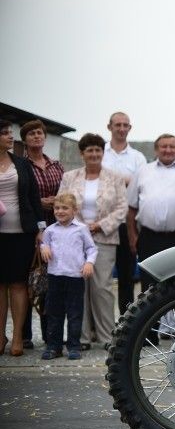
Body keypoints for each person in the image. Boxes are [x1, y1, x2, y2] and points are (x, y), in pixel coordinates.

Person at [58, 133, 128, 349]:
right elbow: (61, 203)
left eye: (98, 150)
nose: (94, 154)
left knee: (101, 288)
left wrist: (99, 225)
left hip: (104, 238)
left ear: (102, 152)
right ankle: (82, 337)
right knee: (79, 287)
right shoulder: (69, 177)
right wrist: (78, 226)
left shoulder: (115, 177)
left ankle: (107, 337)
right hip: (74, 238)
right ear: (82, 153)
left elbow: (122, 208)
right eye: (90, 150)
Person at [127, 135, 175, 293]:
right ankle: (153, 319)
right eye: (163, 146)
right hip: (149, 238)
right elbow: (131, 209)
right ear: (156, 149)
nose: (168, 150)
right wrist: (132, 237)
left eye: (172, 147)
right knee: (149, 287)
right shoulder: (142, 171)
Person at [0, 120, 45, 356]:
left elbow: (34, 197)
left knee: (18, 284)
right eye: (5, 133)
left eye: (10, 133)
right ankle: (0, 336)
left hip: (21, 233)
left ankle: (17, 337)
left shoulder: (22, 164)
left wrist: (40, 229)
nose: (10, 137)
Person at [20, 119, 65, 349]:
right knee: (29, 280)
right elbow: (20, 196)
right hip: (29, 231)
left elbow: (66, 193)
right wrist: (40, 203)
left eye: (39, 133)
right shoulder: (21, 165)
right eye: (31, 134)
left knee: (52, 283)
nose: (36, 137)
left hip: (57, 229)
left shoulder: (56, 166)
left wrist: (57, 203)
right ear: (24, 139)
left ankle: (51, 334)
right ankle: (25, 335)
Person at [39, 193, 97, 360]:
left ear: (74, 210)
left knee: (74, 313)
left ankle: (73, 346)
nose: (60, 211)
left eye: (65, 208)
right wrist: (44, 248)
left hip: (74, 277)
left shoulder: (81, 229)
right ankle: (53, 347)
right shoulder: (50, 230)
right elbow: (44, 243)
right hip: (55, 276)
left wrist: (89, 263)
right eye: (57, 208)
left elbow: (91, 249)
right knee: (54, 313)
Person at [101, 112, 147, 316]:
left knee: (127, 276)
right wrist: (126, 180)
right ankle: (98, 327)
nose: (121, 128)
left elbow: (141, 185)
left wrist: (112, 179)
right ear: (109, 126)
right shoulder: (99, 152)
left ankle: (125, 321)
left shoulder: (138, 157)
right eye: (117, 125)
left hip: (127, 222)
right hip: (102, 222)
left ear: (130, 128)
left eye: (125, 125)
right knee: (100, 278)